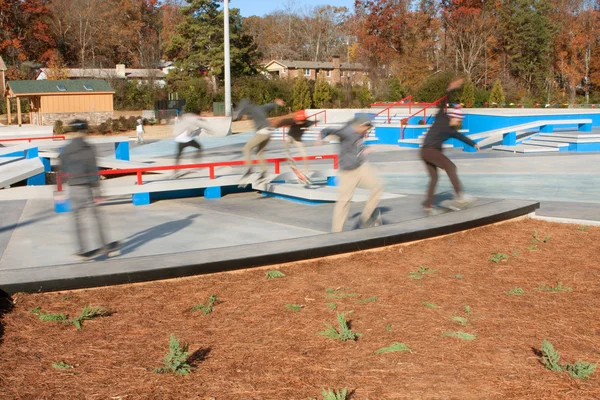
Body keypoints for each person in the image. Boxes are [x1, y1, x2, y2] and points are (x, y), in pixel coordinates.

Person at [421, 77, 480, 215]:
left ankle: (428, 207)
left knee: (434, 178)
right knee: (451, 167)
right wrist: (450, 89)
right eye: (458, 120)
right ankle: (460, 196)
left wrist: (474, 144)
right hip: (429, 150)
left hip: (425, 152)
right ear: (453, 116)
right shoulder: (442, 117)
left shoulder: (452, 130)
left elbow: (461, 136)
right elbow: (442, 102)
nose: (459, 122)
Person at [58, 119, 116, 259]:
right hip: (86, 187)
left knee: (77, 218)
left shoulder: (66, 149)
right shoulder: (87, 148)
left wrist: (59, 190)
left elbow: (61, 170)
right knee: (95, 216)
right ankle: (104, 245)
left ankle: (81, 250)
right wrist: (98, 192)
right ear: (84, 130)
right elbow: (92, 170)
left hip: (73, 188)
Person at [320, 116, 383, 232]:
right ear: (360, 125)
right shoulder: (346, 132)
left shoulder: (359, 132)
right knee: (344, 201)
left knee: (377, 187)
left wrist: (366, 149)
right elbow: (330, 130)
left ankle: (365, 218)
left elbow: (357, 145)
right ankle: (336, 232)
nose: (366, 131)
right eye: (366, 129)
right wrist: (321, 135)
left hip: (361, 167)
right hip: (347, 172)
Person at [232, 98, 285, 182]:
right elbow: (269, 105)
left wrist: (235, 114)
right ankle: (264, 172)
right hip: (269, 132)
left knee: (247, 148)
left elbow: (239, 112)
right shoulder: (260, 107)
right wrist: (276, 103)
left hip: (262, 132)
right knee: (259, 152)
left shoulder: (248, 108)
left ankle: (250, 169)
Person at [171, 113, 212, 178]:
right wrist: (207, 128)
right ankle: (195, 159)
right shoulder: (189, 117)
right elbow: (198, 122)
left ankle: (175, 171)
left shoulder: (179, 121)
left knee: (178, 155)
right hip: (187, 140)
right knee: (199, 147)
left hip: (179, 140)